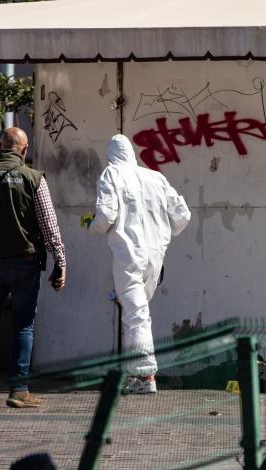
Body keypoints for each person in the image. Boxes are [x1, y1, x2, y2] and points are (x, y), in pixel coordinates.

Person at [0, 127, 66, 408]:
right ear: (25, 149)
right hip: (25, 262)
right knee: (23, 326)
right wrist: (60, 261)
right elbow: (48, 224)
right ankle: (18, 390)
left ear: (0, 148)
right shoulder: (33, 178)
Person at [89, 134, 190, 394]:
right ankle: (134, 374)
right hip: (155, 256)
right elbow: (182, 214)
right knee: (137, 313)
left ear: (111, 154)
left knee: (136, 316)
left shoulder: (111, 174)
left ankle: (145, 377)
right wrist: (165, 234)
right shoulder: (155, 177)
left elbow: (107, 214)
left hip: (128, 254)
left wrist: (94, 227)